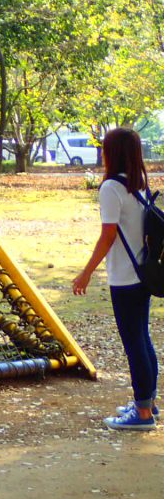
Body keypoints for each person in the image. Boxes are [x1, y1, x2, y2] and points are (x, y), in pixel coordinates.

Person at [73, 127, 158, 430]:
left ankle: (143, 414)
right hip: (143, 273)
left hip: (125, 276)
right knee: (142, 338)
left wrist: (86, 271)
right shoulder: (140, 184)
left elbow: (108, 234)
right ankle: (147, 401)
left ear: (112, 153)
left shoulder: (111, 187)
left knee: (134, 342)